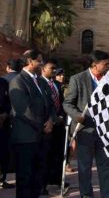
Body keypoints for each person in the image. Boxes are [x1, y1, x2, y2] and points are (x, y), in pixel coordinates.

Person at [63, 50, 109, 198]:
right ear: (94, 64)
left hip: (104, 130)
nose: (108, 67)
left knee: (105, 166)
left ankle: (107, 195)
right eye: (105, 64)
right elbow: (67, 104)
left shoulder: (108, 79)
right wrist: (77, 115)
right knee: (85, 167)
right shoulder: (77, 79)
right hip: (85, 130)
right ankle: (86, 194)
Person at [9, 49, 56, 198]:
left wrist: (51, 120)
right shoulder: (18, 81)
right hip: (26, 138)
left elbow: (51, 104)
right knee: (25, 179)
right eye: (39, 60)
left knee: (38, 177)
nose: (41, 63)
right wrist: (43, 126)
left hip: (41, 138)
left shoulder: (41, 81)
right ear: (30, 61)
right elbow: (23, 110)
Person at [40, 59, 70, 194]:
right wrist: (51, 120)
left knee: (58, 154)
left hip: (59, 125)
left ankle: (57, 179)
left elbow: (61, 103)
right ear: (43, 69)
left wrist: (62, 117)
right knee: (45, 155)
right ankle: (42, 184)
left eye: (55, 68)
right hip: (46, 125)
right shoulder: (39, 84)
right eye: (51, 68)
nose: (54, 71)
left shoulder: (57, 84)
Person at [0, 77, 13, 189]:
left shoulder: (3, 83)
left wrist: (5, 114)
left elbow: (9, 102)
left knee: (4, 153)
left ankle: (2, 179)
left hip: (3, 124)